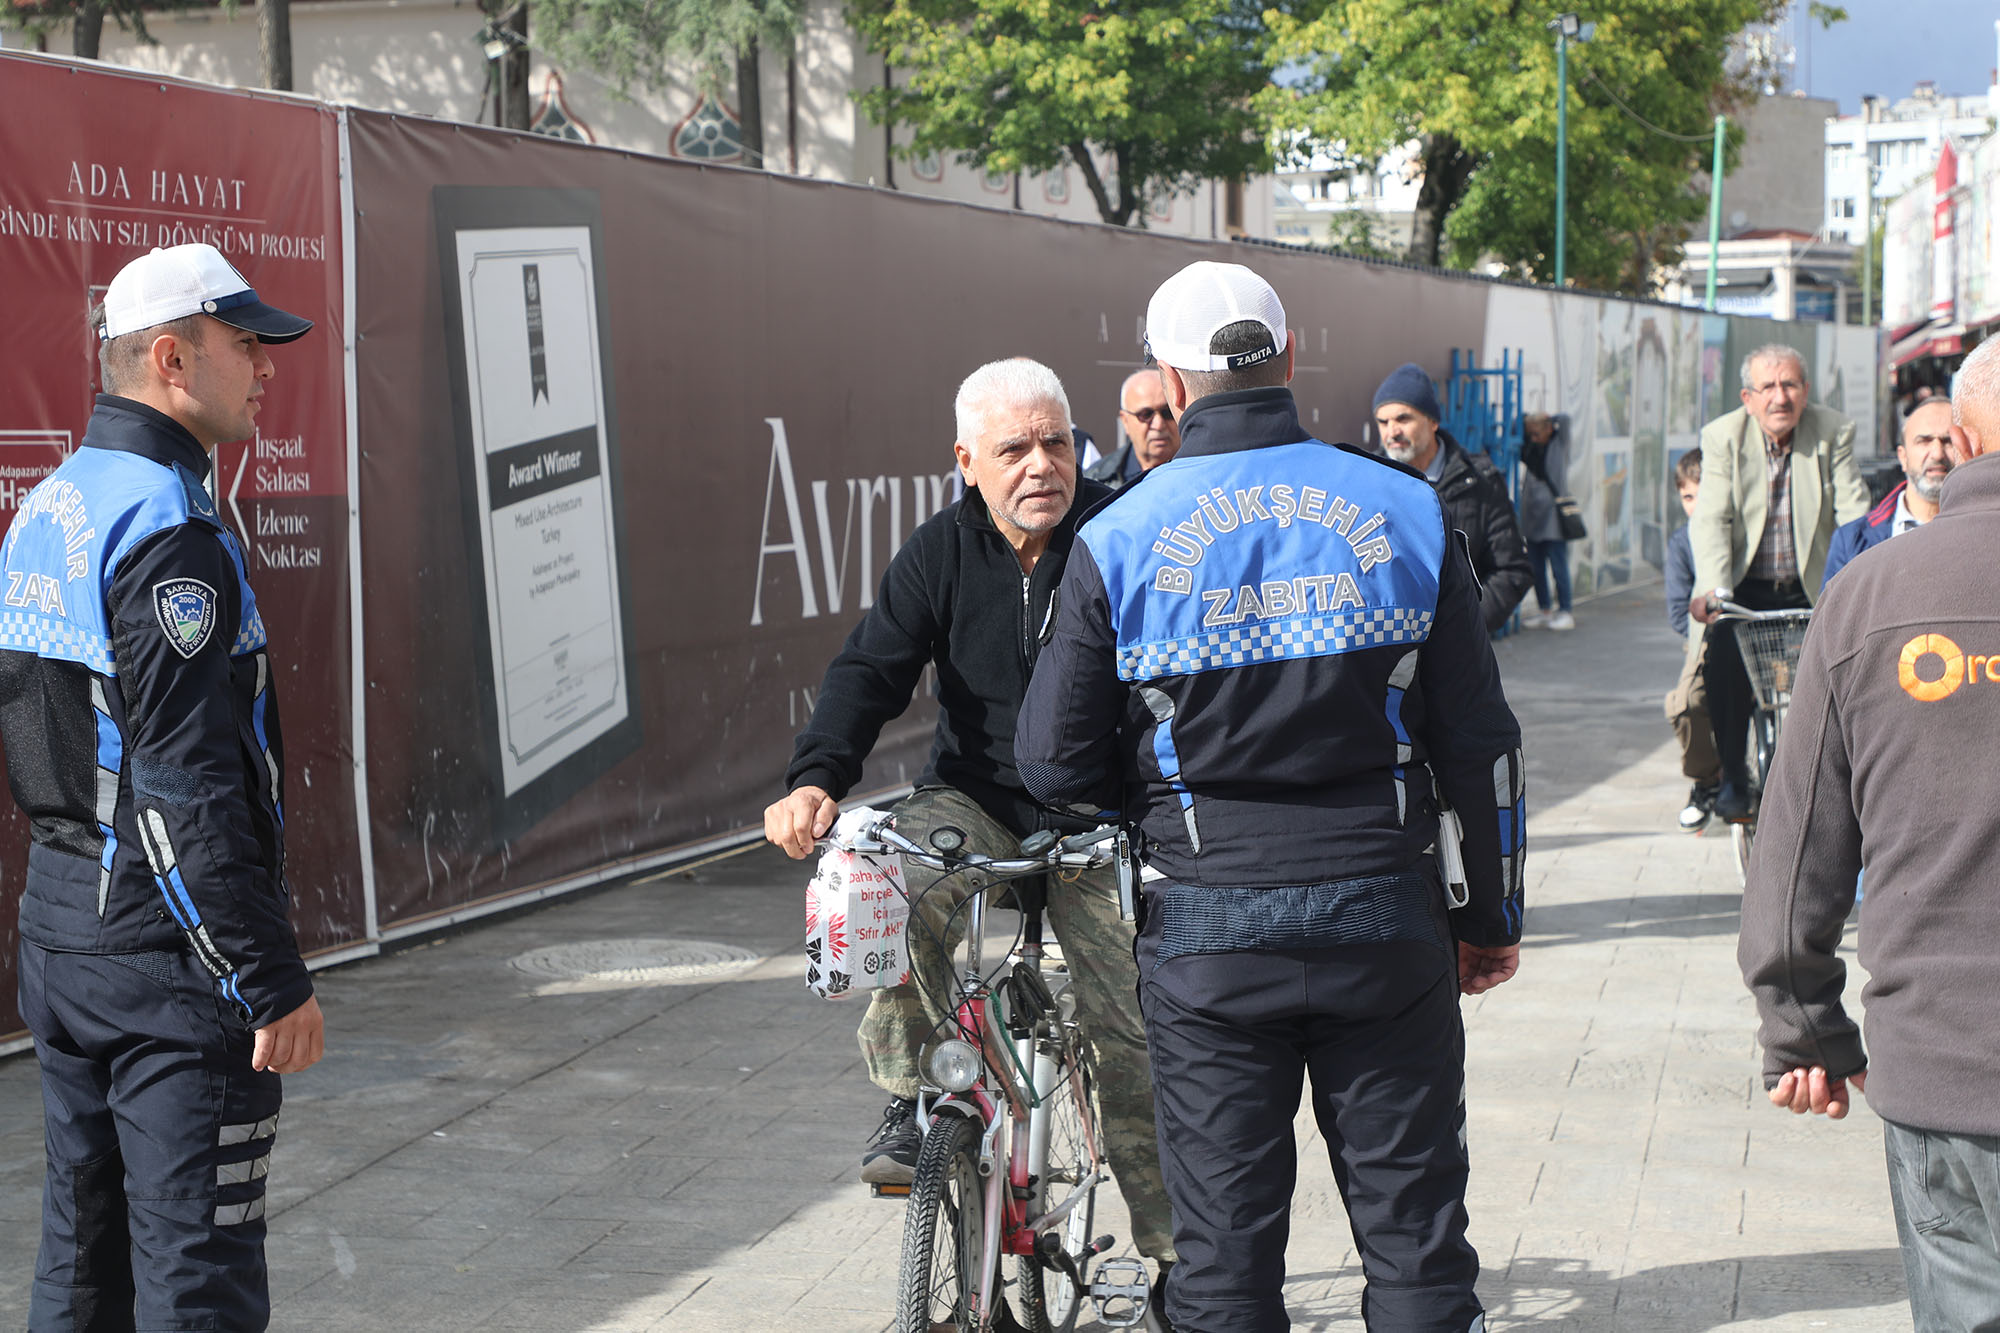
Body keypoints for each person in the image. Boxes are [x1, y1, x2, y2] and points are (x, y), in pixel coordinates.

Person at [1017, 261, 1525, 1332]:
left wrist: (1155, 791)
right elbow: (1478, 741)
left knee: (1223, 1260)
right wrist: (1486, 919)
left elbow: (1053, 766)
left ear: (1167, 375)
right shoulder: (1410, 510)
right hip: (1386, 918)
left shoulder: (1116, 537)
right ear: (1290, 357)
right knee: (1417, 1241)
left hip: (1204, 932)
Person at [761, 358, 1178, 1296]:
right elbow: (870, 670)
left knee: (1131, 1034)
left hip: (1098, 816)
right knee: (887, 882)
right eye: (1014, 448)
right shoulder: (938, 552)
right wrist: (815, 780)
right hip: (976, 801)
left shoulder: (1122, 532)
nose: (1042, 465)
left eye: (1057, 442)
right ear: (965, 461)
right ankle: (919, 1099)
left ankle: (1176, 1262)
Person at [0, 243, 325, 1329]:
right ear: (173, 358)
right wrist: (266, 975)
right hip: (162, 963)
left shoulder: (50, 504)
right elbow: (184, 787)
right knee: (199, 1276)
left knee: (82, 1266)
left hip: (62, 935)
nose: (268, 367)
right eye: (248, 344)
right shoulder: (167, 529)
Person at [1738, 337, 2000, 1331]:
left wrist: (1800, 1025)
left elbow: (1796, 839)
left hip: (1939, 1062)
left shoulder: (1867, 599)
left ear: (1962, 439)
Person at [1688, 343, 1866, 821]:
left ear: (1806, 391)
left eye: (1789, 384)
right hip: (1742, 588)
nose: (1779, 397)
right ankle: (1733, 776)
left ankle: (1832, 785)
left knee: (1845, 676)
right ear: (1748, 397)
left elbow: (1853, 514)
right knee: (1720, 665)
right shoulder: (1723, 436)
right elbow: (1711, 519)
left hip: (1815, 588)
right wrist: (1713, 589)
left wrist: (1862, 578)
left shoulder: (1833, 432)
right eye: (1767, 386)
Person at [1372, 363, 1534, 631]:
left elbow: (1512, 570)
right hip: (1385, 656)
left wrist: (1464, 632)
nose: (1392, 432)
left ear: (1433, 421)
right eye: (1383, 422)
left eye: (1403, 419)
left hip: (1457, 658)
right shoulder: (1366, 480)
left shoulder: (1479, 482)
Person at [1820, 396, 1954, 587]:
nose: (1937, 453)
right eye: (1924, 441)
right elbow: (1833, 615)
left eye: (1948, 441)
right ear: (1903, 457)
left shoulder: (1987, 532)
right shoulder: (1851, 542)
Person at [1664, 449, 1722, 832]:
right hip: (1703, 638)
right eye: (1688, 497)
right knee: (1685, 704)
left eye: (1704, 495)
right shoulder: (1681, 543)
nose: (1696, 505)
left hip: (1753, 630)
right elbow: (1676, 612)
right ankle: (1706, 781)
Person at [1515, 411, 1576, 631]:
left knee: (1558, 566)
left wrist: (1548, 418)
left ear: (1550, 429)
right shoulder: (1530, 449)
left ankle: (1565, 610)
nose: (1533, 438)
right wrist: (1528, 422)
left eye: (1538, 433)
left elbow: (1566, 420)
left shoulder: (1559, 445)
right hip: (1532, 516)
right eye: (1530, 433)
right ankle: (1545, 610)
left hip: (1553, 518)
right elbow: (1517, 427)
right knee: (1536, 567)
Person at [1086, 367, 1184, 489]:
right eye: (1146, 414)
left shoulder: (1205, 475)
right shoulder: (1096, 480)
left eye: (1167, 412)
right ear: (1125, 421)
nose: (1158, 425)